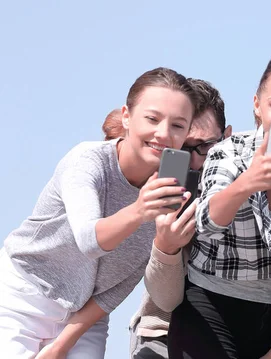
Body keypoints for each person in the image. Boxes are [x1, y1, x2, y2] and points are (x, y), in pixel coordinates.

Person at [0, 67, 201, 358]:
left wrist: (61, 347)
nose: (163, 133)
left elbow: (116, 289)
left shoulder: (170, 194)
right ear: (127, 116)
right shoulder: (87, 161)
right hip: (24, 295)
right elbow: (89, 241)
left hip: (84, 318)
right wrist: (138, 210)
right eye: (153, 119)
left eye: (178, 126)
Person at [165, 48, 271, 359]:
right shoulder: (231, 151)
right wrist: (248, 182)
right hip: (209, 303)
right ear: (257, 105)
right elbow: (204, 224)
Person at [129, 78, 231, 359]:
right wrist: (167, 247)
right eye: (185, 148)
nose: (196, 161)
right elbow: (165, 299)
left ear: (227, 136)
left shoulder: (245, 182)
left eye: (206, 146)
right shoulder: (153, 189)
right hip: (161, 332)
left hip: (232, 334)